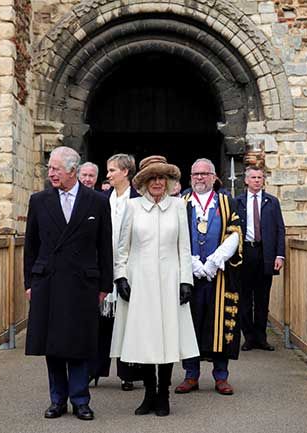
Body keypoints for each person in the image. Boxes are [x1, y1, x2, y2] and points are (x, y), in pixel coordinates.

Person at [24, 146, 113, 421]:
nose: (51, 173)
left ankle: (81, 400)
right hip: (48, 280)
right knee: (53, 344)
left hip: (82, 283)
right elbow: (31, 246)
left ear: (72, 171)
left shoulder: (96, 201)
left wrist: (104, 286)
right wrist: (29, 283)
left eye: (56, 169)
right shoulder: (38, 201)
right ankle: (57, 399)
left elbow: (104, 245)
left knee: (79, 342)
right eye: (49, 168)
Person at [110, 155, 199, 417]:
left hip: (171, 280)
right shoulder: (133, 207)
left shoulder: (178, 207)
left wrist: (186, 280)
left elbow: (184, 247)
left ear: (169, 181)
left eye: (162, 178)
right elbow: (122, 248)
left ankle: (164, 394)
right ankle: (149, 393)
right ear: (144, 182)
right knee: (145, 338)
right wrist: (121, 277)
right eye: (153, 178)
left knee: (168, 337)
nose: (158, 182)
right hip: (141, 282)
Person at [175, 158, 242, 396]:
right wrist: (193, 263)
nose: (200, 178)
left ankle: (221, 376)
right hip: (190, 274)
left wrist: (215, 261)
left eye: (205, 174)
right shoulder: (180, 203)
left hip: (218, 275)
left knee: (219, 324)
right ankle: (190, 375)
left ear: (214, 177)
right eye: (195, 174)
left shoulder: (226, 201)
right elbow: (175, 236)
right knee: (190, 324)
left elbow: (235, 233)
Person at [90, 153, 141, 391]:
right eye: (107, 170)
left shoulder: (138, 200)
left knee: (127, 322)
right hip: (103, 266)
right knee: (101, 321)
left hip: (129, 267)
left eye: (112, 170)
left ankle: (127, 373)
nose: (108, 174)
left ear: (125, 172)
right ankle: (95, 369)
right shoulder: (101, 199)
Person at [236, 165, 285, 351]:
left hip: (265, 253)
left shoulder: (272, 202)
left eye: (260, 177)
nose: (257, 180)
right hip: (246, 252)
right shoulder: (238, 201)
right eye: (253, 177)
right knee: (245, 298)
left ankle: (261, 337)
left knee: (263, 298)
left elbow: (280, 229)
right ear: (246, 180)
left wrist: (279, 255)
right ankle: (248, 337)